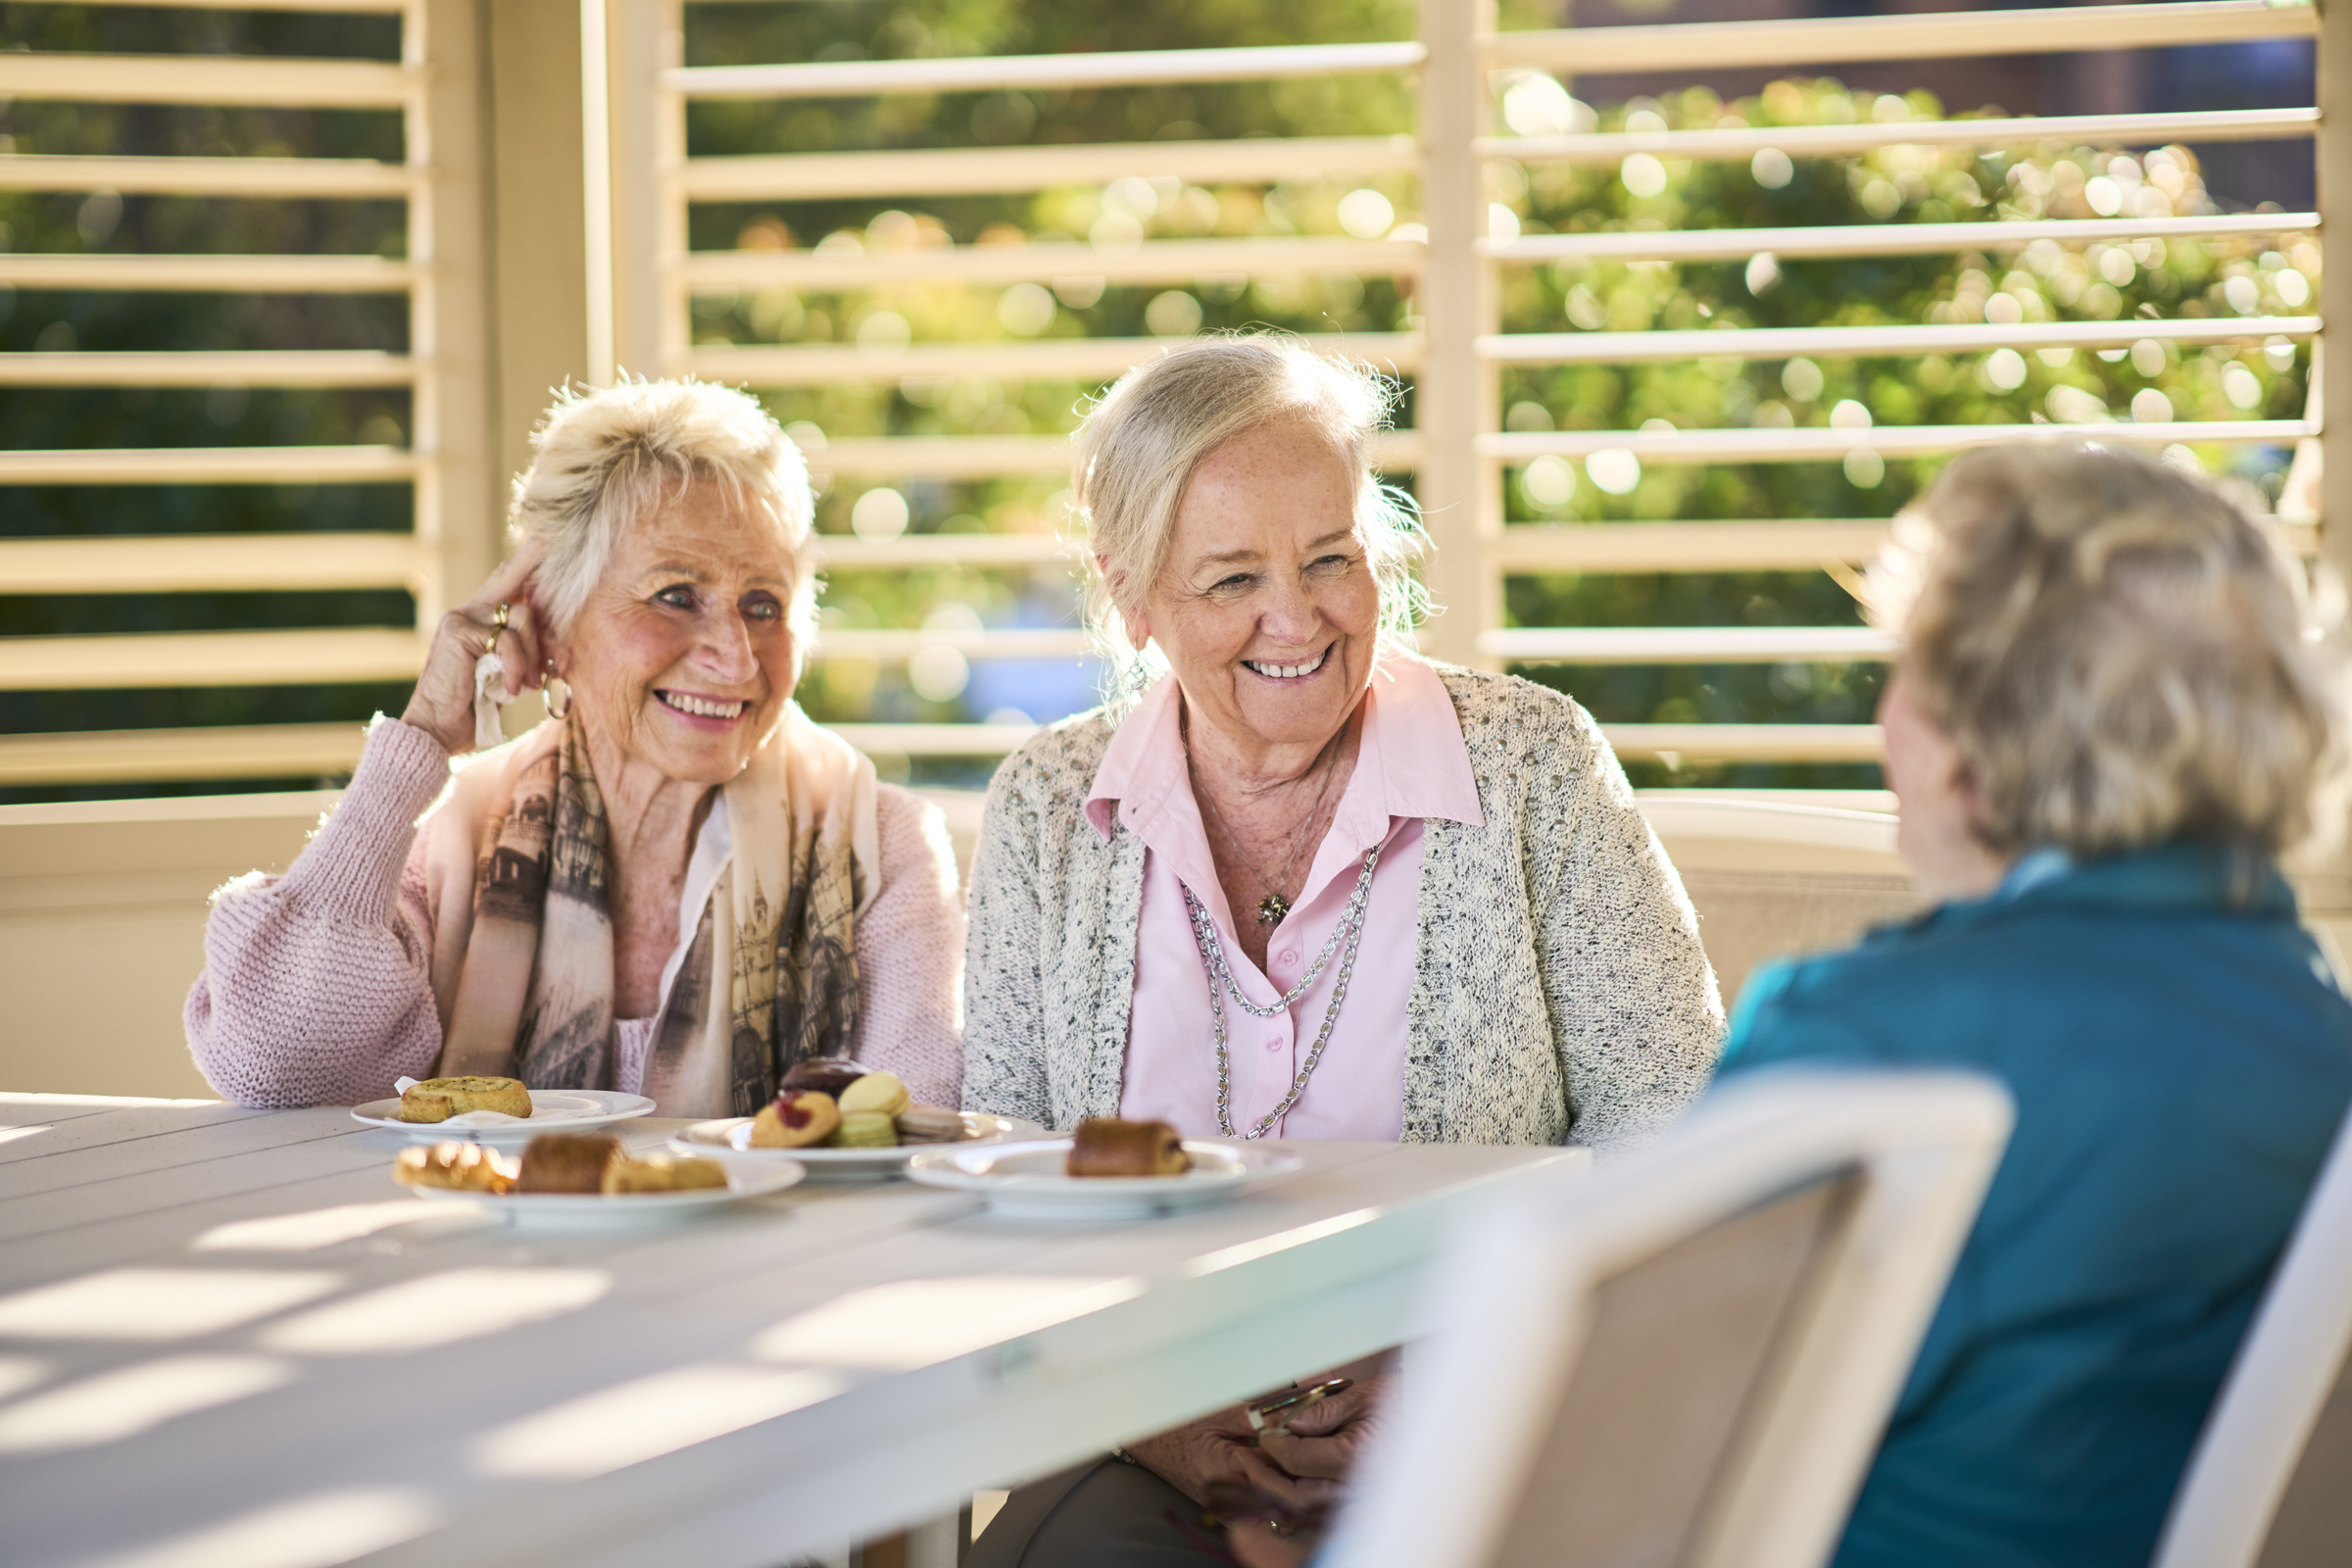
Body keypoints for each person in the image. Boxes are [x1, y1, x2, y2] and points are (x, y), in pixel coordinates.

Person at [961, 334, 1722, 1564]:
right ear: (1132, 597)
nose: (1296, 618)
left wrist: (1450, 1369)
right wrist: (1168, 1413)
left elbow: (1677, 1132)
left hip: (1488, 1428)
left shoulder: (1535, 764)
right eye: (1231, 581)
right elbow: (1006, 1178)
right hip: (1143, 1432)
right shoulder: (1050, 806)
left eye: (1332, 558)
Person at [1715, 446, 2352, 1568]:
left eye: (1902, 668)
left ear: (1975, 738)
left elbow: (1638, 1479)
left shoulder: (1857, 1044)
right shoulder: (2315, 1034)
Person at [186, 377, 964, 1115]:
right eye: (675, 595)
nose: (736, 655)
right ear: (550, 620)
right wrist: (420, 741)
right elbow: (276, 1063)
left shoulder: (879, 844)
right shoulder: (463, 840)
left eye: (763, 604)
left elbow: (912, 1126)